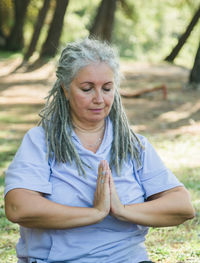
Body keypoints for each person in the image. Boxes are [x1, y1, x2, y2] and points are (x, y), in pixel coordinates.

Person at [4, 38, 195, 263]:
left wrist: (121, 210)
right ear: (65, 89)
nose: (99, 99)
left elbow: (182, 207)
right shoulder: (40, 142)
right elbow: (18, 207)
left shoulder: (134, 145)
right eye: (87, 89)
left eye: (107, 88)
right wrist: (94, 213)